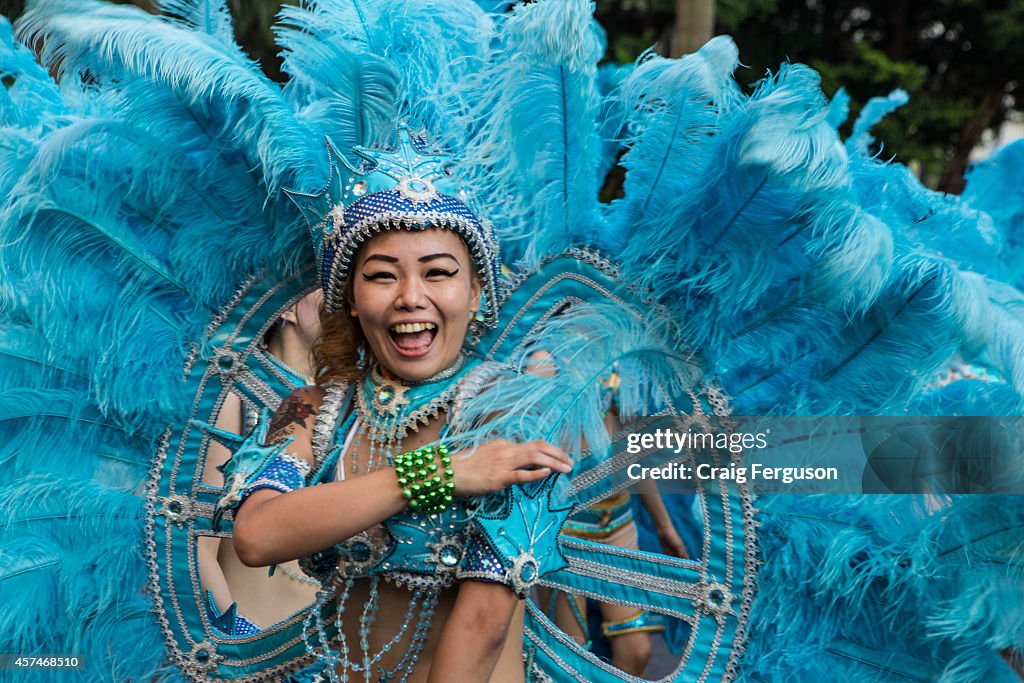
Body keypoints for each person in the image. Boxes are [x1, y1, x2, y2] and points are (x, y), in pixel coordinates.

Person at [220, 126, 573, 682]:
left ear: (477, 291)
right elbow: (257, 536)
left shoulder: (511, 414)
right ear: (352, 301)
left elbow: (484, 622)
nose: (411, 296)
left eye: (439, 272)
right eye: (382, 276)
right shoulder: (314, 413)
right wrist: (440, 473)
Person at [198, 290, 324, 634]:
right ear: (288, 308)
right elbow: (193, 539)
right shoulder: (232, 396)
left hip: (336, 655)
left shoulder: (355, 407)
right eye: (329, 285)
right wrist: (242, 645)